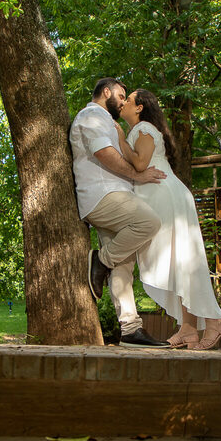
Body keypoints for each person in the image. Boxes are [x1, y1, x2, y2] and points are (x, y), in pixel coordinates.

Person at [116, 88, 221, 350]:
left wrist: (121, 139)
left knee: (181, 261)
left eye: (129, 100)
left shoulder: (143, 128)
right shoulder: (143, 129)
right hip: (165, 198)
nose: (123, 103)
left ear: (140, 108)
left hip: (165, 198)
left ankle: (214, 321)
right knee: (179, 262)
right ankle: (189, 328)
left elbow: (140, 164)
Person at [69, 77, 170, 348]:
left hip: (114, 196)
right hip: (103, 196)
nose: (124, 102)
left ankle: (130, 329)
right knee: (149, 222)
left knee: (124, 264)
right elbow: (103, 153)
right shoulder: (91, 115)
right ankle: (100, 261)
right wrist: (138, 176)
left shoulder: (108, 122)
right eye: (121, 95)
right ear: (106, 92)